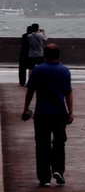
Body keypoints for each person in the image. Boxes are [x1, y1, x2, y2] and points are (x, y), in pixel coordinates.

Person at [22, 43, 74, 187]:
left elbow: (30, 90)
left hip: (42, 113)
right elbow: (68, 93)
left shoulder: (38, 70)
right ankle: (58, 170)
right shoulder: (65, 71)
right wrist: (71, 112)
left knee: (42, 144)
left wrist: (26, 108)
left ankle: (44, 178)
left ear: (45, 54)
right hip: (59, 113)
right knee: (59, 142)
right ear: (58, 55)